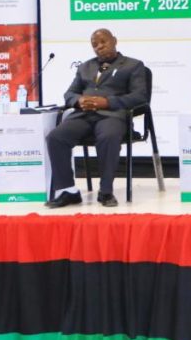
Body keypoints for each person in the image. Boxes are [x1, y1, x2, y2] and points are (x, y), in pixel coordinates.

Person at [45, 29, 148, 208]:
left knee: (108, 137)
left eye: (103, 42)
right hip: (83, 115)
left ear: (114, 41)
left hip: (112, 115)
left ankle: (105, 191)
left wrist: (106, 102)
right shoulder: (85, 67)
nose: (99, 47)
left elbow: (140, 97)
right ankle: (68, 191)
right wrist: (79, 100)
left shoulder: (133, 65)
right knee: (55, 137)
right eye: (95, 45)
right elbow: (69, 93)